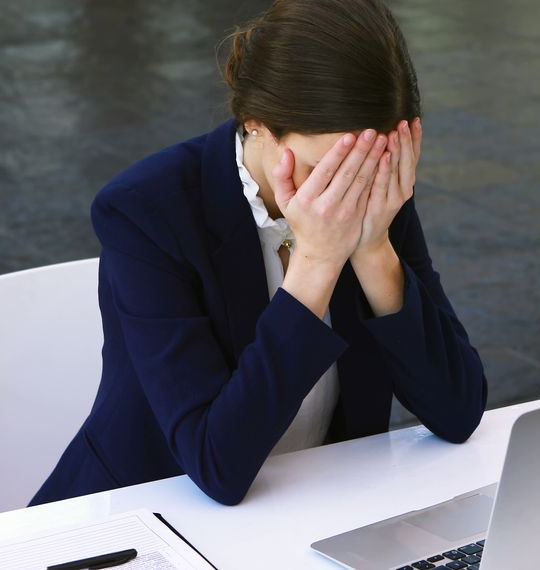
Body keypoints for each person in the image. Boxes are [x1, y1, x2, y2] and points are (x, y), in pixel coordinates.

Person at [31, 0, 487, 508]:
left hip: (307, 512)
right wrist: (316, 262)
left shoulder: (374, 195)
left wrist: (375, 248)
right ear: (257, 123)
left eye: (369, 168)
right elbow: (217, 465)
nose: (347, 192)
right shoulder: (146, 212)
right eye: (326, 168)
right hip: (148, 517)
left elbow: (459, 409)